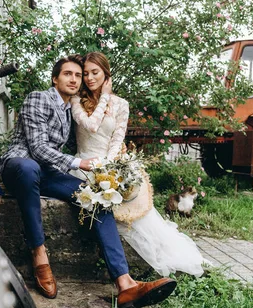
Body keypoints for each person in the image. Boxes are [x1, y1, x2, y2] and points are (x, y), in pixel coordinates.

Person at [0, 55, 177, 308]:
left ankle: (125, 285)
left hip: (48, 172)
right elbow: (36, 149)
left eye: (78, 75)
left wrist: (112, 166)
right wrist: (80, 163)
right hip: (20, 165)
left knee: (96, 199)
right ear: (54, 79)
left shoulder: (72, 108)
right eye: (68, 74)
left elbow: (84, 136)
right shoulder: (39, 98)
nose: (74, 79)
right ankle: (39, 254)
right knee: (29, 167)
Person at [70, 52, 206, 277]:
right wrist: (103, 97)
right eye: (86, 74)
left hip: (109, 163)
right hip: (84, 163)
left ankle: (162, 253)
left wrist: (109, 167)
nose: (90, 78)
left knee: (141, 211)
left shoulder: (121, 104)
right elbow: (91, 125)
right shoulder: (77, 101)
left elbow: (117, 138)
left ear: (106, 74)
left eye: (95, 73)